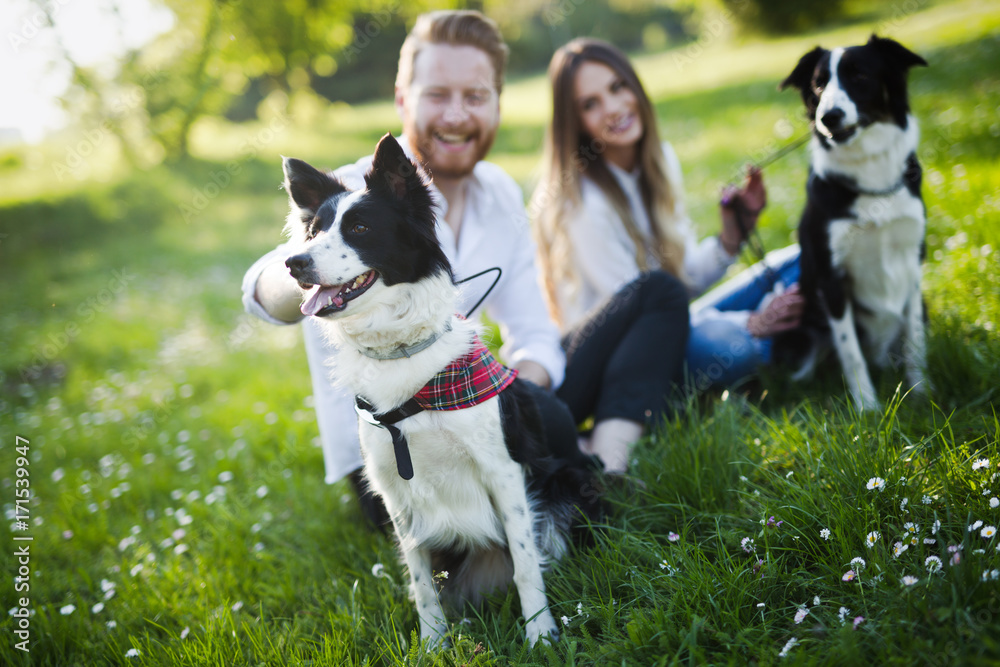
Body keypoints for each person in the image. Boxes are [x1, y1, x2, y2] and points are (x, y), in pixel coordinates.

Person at [242, 11, 686, 512]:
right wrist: (307, 270)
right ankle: (562, 459)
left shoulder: (498, 192)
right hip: (400, 451)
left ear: (497, 103)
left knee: (657, 294)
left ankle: (607, 464)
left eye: (475, 96)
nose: (456, 116)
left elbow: (534, 332)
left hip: (487, 405)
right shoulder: (347, 198)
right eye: (437, 95)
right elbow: (260, 286)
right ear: (402, 98)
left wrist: (513, 398)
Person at [531, 38, 804, 395]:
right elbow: (643, 325)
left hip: (672, 324)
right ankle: (780, 346)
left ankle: (775, 344)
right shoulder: (582, 207)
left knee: (797, 263)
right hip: (625, 359)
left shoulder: (659, 161)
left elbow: (683, 278)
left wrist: (731, 238)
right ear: (576, 122)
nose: (614, 108)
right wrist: (750, 321)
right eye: (590, 104)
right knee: (725, 344)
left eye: (618, 87)